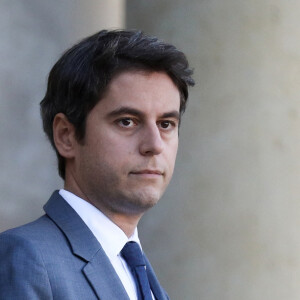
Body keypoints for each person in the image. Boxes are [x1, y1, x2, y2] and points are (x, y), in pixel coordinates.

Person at [0, 29, 194, 300]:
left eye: (166, 124)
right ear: (66, 136)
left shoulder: (146, 280)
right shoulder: (27, 258)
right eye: (127, 121)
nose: (155, 144)